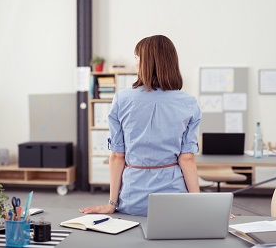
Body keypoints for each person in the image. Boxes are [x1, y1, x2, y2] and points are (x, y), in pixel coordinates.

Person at [79, 35, 202, 216]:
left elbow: (117, 157)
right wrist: (200, 205)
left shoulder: (122, 99)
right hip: (174, 200)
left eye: (137, 57)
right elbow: (187, 159)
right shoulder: (188, 103)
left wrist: (111, 204)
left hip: (133, 198)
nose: (135, 62)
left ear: (145, 63)